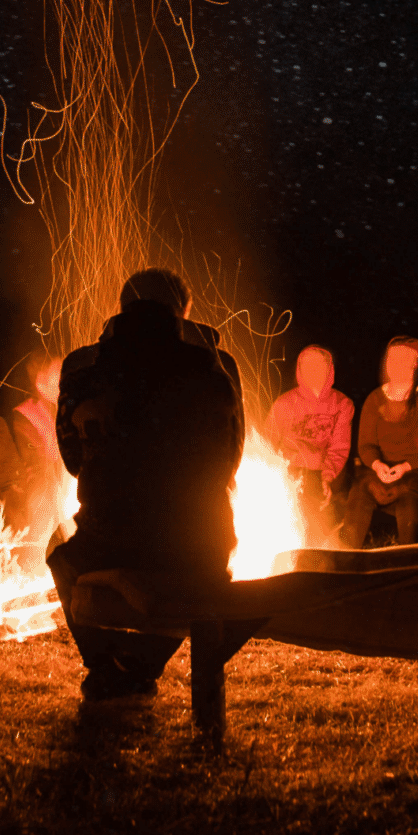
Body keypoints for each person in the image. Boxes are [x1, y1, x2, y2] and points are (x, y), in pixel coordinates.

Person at [48, 268, 252, 701]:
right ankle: (142, 663)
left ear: (123, 308)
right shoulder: (216, 367)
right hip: (196, 547)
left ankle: (105, 664)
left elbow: (72, 462)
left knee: (60, 550)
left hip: (106, 541)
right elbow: (231, 461)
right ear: (182, 312)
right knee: (212, 563)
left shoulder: (83, 369)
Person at [340, 338, 418, 548]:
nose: (394, 364)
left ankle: (410, 554)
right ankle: (347, 555)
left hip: (416, 469)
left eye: (401, 359)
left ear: (414, 363)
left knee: (410, 497)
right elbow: (366, 445)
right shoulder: (375, 399)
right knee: (362, 490)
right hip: (382, 469)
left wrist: (405, 467)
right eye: (391, 358)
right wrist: (378, 465)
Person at [0, 356, 73, 548]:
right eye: (58, 373)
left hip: (68, 476)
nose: (65, 377)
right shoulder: (26, 414)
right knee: (42, 499)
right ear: (41, 382)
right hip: (34, 481)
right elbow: (36, 460)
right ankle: (38, 558)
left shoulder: (70, 405)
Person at [265, 345, 355, 545]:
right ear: (299, 369)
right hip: (290, 467)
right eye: (307, 365)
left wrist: (327, 477)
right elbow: (268, 444)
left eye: (318, 366)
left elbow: (339, 448)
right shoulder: (284, 404)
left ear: (329, 370)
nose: (313, 371)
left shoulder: (342, 405)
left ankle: (315, 547)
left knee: (317, 512)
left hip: (322, 470)